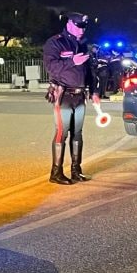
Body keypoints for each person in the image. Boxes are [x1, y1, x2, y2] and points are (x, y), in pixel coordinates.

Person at [42, 12, 101, 185]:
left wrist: (95, 91)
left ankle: (76, 170)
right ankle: (56, 173)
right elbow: (50, 67)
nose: (82, 30)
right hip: (64, 95)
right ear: (69, 24)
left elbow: (88, 71)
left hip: (80, 94)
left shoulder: (82, 44)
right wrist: (72, 61)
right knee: (62, 133)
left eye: (84, 27)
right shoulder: (55, 42)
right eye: (78, 26)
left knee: (78, 134)